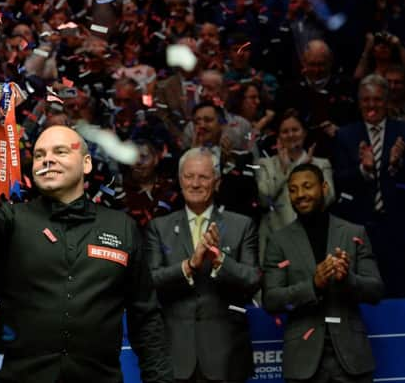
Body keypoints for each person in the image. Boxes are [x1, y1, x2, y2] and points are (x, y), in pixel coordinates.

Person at [0, 123, 173, 383]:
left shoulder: (121, 228)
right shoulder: (10, 219)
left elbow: (145, 319)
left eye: (60, 151)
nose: (47, 159)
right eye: (39, 155)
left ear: (87, 164)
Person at [145, 147, 260, 383]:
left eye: (204, 177)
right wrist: (189, 265)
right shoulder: (159, 227)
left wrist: (220, 262)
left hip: (226, 356)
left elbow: (252, 280)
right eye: (189, 176)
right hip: (174, 355)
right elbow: (150, 282)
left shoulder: (242, 225)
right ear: (180, 180)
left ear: (216, 182)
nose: (195, 183)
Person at [263, 163, 384, 383]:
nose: (300, 195)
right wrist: (313, 285)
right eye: (293, 189)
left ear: (324, 187)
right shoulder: (277, 241)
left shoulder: (353, 233)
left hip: (353, 360)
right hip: (303, 361)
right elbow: (271, 300)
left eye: (307, 186)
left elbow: (375, 291)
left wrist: (348, 278)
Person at [333, 74, 405, 297]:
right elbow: (338, 179)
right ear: (359, 102)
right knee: (364, 290)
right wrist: (363, 170)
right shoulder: (346, 135)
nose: (371, 105)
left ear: (386, 101)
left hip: (398, 225)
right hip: (360, 226)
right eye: (366, 100)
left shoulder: (402, 132)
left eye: (377, 100)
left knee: (398, 287)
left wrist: (396, 166)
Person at [256, 109, 335, 262]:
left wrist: (307, 172)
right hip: (275, 239)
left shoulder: (321, 164)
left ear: (304, 133)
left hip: (313, 235)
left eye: (295, 130)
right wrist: (284, 172)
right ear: (278, 137)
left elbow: (329, 198)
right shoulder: (265, 164)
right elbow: (264, 199)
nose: (291, 135)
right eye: (285, 131)